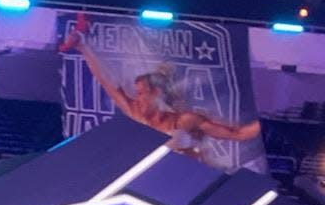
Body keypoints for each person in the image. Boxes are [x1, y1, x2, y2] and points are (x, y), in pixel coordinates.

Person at [68, 28, 261, 160]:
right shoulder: (135, 113)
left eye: (142, 93)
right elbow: (106, 81)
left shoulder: (185, 121)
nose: (138, 98)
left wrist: (265, 124)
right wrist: (83, 48)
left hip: (183, 182)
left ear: (156, 94)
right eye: (137, 93)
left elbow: (237, 134)